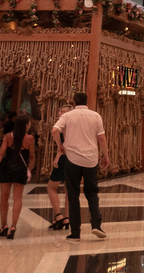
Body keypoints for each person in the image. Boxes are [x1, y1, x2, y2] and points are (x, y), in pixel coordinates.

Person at [52, 92, 110, 240]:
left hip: (72, 160)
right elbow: (101, 138)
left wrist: (60, 145)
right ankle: (96, 224)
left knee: (73, 195)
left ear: (74, 102)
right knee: (92, 193)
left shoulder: (68, 116)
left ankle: (75, 232)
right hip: (91, 160)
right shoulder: (95, 116)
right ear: (87, 101)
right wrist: (105, 155)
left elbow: (54, 130)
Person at [0, 115, 35, 239]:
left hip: (6, 168)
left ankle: (3, 225)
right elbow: (32, 156)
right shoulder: (30, 139)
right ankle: (13, 226)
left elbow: (1, 153)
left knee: (4, 197)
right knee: (17, 198)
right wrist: (30, 168)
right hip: (20, 169)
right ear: (26, 125)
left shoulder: (8, 137)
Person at [46, 103, 74, 231]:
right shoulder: (74, 126)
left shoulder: (63, 126)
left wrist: (58, 153)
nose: (59, 113)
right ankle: (67, 216)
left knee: (51, 187)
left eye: (62, 111)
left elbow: (58, 139)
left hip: (63, 158)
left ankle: (58, 215)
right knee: (68, 188)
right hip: (73, 159)